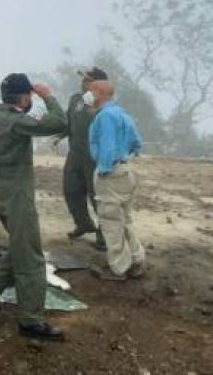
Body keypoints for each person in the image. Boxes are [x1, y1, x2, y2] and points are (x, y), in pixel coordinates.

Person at [0, 73, 68, 341]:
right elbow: (59, 122)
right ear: (24, 97)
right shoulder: (17, 122)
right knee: (32, 259)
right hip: (16, 195)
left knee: (21, 245)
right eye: (30, 96)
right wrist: (48, 96)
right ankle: (31, 321)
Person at [87, 79, 146, 281]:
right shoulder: (121, 114)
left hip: (110, 173)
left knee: (110, 220)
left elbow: (107, 145)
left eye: (90, 91)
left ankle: (119, 268)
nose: (87, 95)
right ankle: (137, 260)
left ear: (100, 93)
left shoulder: (106, 117)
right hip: (125, 171)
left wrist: (104, 168)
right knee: (125, 218)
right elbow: (137, 143)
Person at [52, 67, 107, 250]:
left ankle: (105, 234)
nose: (83, 83)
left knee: (97, 196)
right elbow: (69, 122)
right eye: (83, 79)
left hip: (96, 157)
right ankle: (83, 223)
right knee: (71, 190)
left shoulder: (105, 105)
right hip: (75, 154)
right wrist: (59, 135)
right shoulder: (76, 99)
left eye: (88, 80)